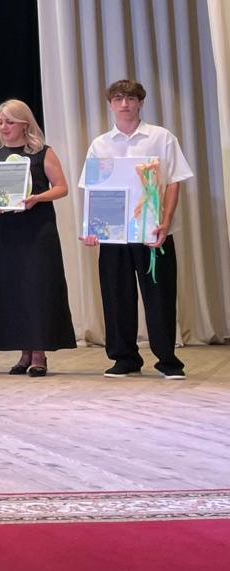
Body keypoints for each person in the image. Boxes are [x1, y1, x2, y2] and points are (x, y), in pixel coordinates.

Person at [79, 79, 193, 379]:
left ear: (141, 102)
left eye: (130, 98)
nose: (124, 104)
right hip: (113, 234)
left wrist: (165, 222)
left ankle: (167, 360)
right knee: (116, 295)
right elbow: (93, 190)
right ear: (110, 104)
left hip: (153, 232)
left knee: (160, 295)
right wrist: (91, 227)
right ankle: (125, 358)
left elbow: (173, 183)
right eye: (118, 98)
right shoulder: (100, 144)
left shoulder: (161, 137)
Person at [0, 100, 76, 376]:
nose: (4, 127)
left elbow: (62, 188)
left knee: (38, 287)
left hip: (37, 230)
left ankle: (39, 353)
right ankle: (23, 352)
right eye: (0, 122)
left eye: (10, 121)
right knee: (13, 289)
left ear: (25, 124)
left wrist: (37, 198)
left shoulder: (42, 153)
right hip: (5, 231)